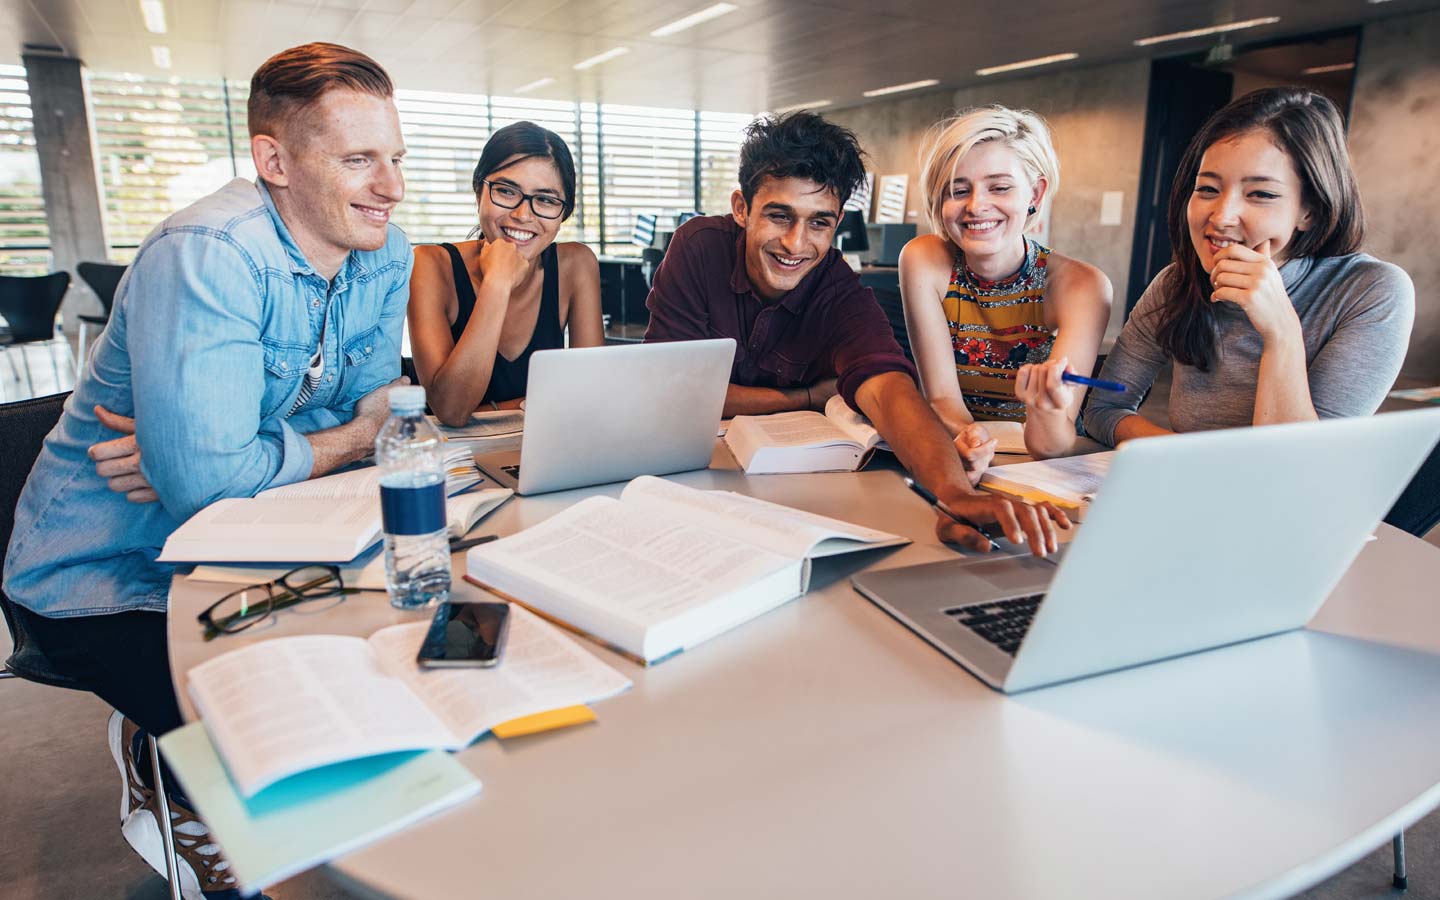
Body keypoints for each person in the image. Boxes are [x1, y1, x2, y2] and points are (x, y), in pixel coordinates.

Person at [3, 43, 411, 898]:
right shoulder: (210, 251)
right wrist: (238, 460)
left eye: (396, 158)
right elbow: (347, 433)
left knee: (379, 671)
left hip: (258, 539)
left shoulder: (384, 250)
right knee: (281, 737)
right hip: (105, 568)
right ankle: (175, 765)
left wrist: (216, 456)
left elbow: (376, 419)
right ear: (274, 161)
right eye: (359, 160)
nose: (391, 186)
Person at [644, 111, 1068, 554]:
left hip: (784, 494)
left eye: (819, 222)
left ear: (837, 222)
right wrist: (804, 397)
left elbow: (887, 388)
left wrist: (954, 494)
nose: (795, 243)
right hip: (685, 480)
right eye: (779, 216)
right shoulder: (697, 247)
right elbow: (673, 389)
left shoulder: (838, 289)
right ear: (741, 209)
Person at [1084, 87, 1414, 445]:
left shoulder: (1372, 290)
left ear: (1310, 210)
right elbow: (1103, 410)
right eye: (1208, 189)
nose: (1222, 216)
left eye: (1260, 194)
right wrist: (1184, 461)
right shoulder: (1176, 282)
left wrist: (1281, 331)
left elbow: (1301, 463)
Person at [900, 106, 1112, 462]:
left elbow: (1053, 445)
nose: (977, 205)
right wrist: (971, 440)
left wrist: (1044, 409)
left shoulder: (1082, 286)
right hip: (962, 452)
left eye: (999, 187)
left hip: (1043, 467)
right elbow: (942, 400)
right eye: (958, 190)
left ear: (1035, 195)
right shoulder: (924, 260)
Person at [407, 121, 603, 425]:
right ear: (478, 192)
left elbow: (591, 397)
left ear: (563, 213)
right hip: (457, 460)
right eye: (506, 191)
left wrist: (491, 411)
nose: (523, 215)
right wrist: (497, 282)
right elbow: (451, 410)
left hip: (547, 448)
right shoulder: (430, 265)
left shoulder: (575, 265)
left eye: (546, 200)